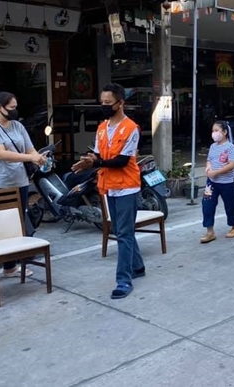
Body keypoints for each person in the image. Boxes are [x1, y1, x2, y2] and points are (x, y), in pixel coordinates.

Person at [71, 83, 144, 299]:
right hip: (109, 186)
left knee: (123, 233)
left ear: (120, 103)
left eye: (107, 103)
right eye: (101, 102)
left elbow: (121, 161)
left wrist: (95, 163)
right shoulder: (102, 127)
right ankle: (138, 266)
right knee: (124, 230)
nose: (103, 106)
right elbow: (96, 152)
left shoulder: (132, 128)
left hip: (127, 186)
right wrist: (87, 160)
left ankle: (123, 280)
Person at [0, 91, 47, 290]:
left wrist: (37, 156)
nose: (15, 111)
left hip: (18, 182)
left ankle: (10, 266)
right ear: (0, 107)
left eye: (16, 107)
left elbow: (30, 148)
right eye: (11, 108)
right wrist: (29, 158)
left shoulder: (18, 126)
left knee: (15, 225)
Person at [200, 121, 234, 243]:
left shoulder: (230, 147)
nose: (214, 133)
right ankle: (210, 231)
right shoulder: (213, 147)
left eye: (217, 130)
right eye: (213, 131)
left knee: (230, 205)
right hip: (211, 181)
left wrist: (216, 172)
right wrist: (208, 167)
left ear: (224, 132)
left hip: (227, 182)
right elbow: (209, 160)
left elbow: (232, 165)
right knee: (207, 204)